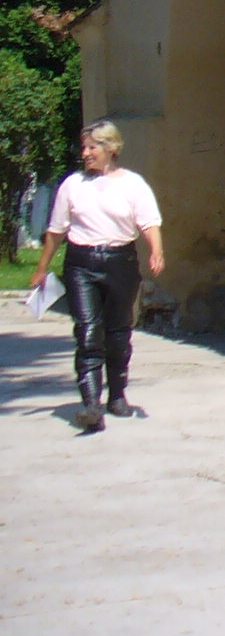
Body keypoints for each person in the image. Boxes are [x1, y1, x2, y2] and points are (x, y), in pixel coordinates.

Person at [30, 121, 164, 433]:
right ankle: (91, 405)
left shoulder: (132, 184)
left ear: (111, 148)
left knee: (117, 333)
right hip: (81, 264)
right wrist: (42, 268)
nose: (86, 153)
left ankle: (117, 395)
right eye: (84, 147)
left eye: (93, 147)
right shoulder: (72, 185)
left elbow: (149, 222)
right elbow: (56, 231)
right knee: (88, 332)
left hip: (120, 262)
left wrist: (156, 251)